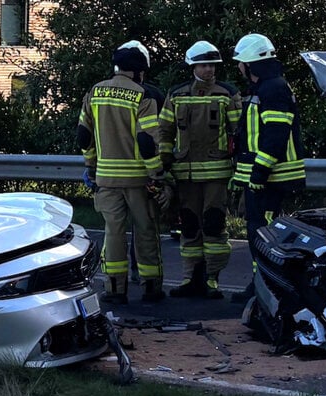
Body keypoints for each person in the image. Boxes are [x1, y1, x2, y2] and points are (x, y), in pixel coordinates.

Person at [77, 40, 167, 304]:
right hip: (139, 180)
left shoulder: (94, 92)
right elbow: (148, 141)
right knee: (145, 231)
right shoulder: (143, 95)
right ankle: (151, 288)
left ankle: (115, 289)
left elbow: (84, 135)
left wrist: (91, 167)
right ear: (139, 71)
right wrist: (157, 175)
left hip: (106, 178)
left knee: (113, 232)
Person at [160, 40, 241, 299]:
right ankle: (189, 278)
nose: (209, 70)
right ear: (193, 66)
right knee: (190, 226)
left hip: (217, 173)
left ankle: (211, 279)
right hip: (185, 173)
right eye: (204, 65)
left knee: (214, 224)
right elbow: (165, 130)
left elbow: (239, 133)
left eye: (212, 65)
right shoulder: (177, 94)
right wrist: (163, 157)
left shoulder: (227, 93)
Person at [230, 34, 306, 302]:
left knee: (265, 235)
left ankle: (267, 288)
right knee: (259, 232)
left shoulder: (272, 89)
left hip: (272, 177)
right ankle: (260, 285)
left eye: (241, 62)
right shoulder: (265, 88)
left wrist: (259, 172)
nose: (239, 67)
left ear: (250, 64)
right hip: (265, 176)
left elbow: (275, 134)